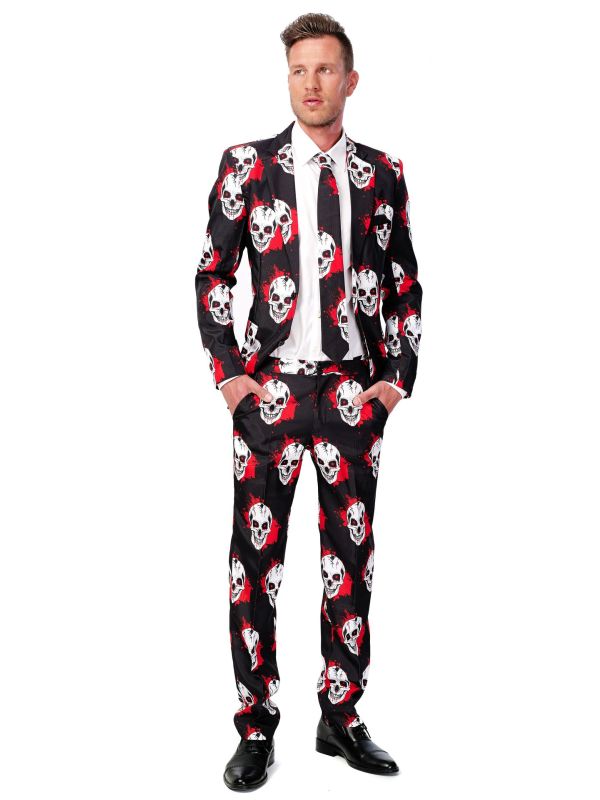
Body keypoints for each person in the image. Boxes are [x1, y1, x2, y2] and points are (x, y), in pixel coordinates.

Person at [195, 12, 423, 791]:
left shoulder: (382, 173)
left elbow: (404, 283)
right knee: (254, 565)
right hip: (269, 395)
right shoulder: (247, 166)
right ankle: (256, 726)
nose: (311, 84)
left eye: (325, 70)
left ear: (350, 80)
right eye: (299, 70)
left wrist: (394, 380)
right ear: (287, 78)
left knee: (349, 563)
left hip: (354, 393)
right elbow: (213, 273)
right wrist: (231, 376)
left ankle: (341, 715)